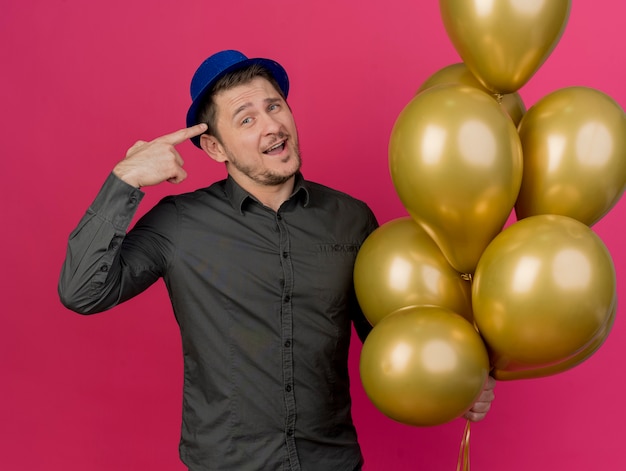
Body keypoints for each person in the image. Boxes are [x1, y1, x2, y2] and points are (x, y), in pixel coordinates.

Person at [58, 49, 495, 471]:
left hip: (330, 461)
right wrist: (125, 179)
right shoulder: (178, 223)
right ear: (214, 148)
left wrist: (459, 381)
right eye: (246, 118)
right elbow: (82, 291)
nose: (272, 125)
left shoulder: (351, 218)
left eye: (275, 106)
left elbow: (388, 337)